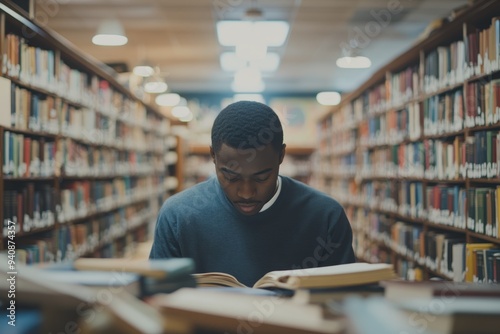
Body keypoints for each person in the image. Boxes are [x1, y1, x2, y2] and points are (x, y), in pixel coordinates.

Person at [149, 100, 356, 287]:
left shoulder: (326, 216)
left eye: (261, 178)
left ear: (281, 156)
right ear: (213, 156)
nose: (246, 193)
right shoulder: (177, 216)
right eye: (231, 177)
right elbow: (157, 301)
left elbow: (345, 304)